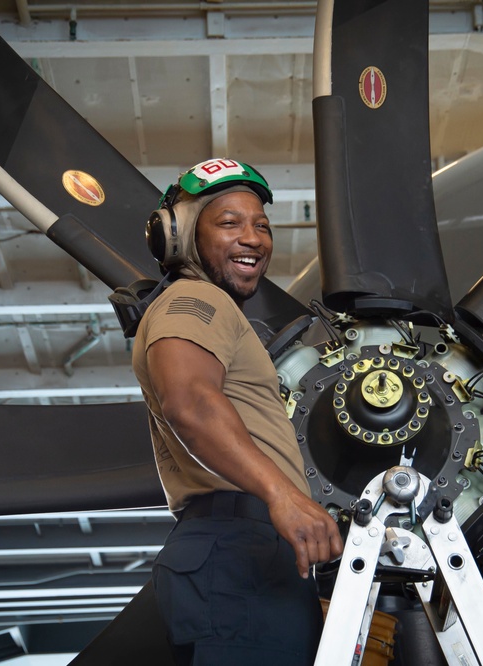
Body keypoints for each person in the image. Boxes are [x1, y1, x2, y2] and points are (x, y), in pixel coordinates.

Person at [132, 158, 344, 665]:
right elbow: (190, 402)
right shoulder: (195, 299)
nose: (253, 238)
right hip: (237, 549)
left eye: (262, 226)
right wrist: (283, 496)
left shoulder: (211, 311)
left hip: (249, 551)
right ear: (180, 237)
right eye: (229, 223)